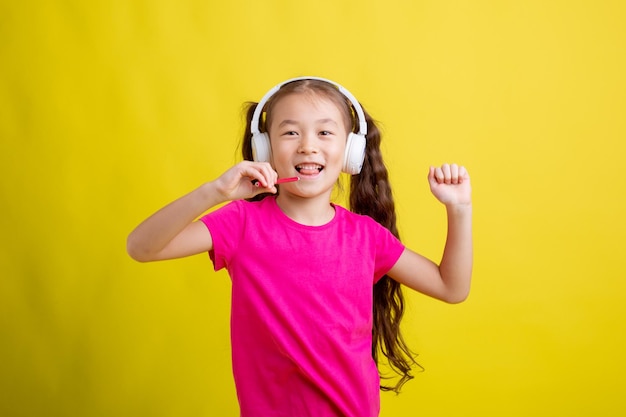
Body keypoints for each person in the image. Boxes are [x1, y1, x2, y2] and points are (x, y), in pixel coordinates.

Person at [127, 77, 473, 417]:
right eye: (291, 132)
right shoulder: (241, 223)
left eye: (324, 132)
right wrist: (215, 192)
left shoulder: (366, 236)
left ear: (351, 152)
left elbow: (451, 287)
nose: (307, 145)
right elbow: (142, 247)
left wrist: (458, 210)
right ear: (265, 149)